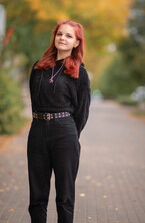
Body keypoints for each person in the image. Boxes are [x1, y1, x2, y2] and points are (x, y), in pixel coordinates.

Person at [27, 20, 91, 223]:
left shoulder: (80, 72)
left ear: (76, 43)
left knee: (64, 196)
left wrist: (70, 133)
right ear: (54, 37)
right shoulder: (38, 67)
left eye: (69, 36)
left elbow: (82, 111)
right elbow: (34, 101)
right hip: (37, 131)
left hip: (64, 134)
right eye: (59, 34)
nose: (62, 38)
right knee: (37, 196)